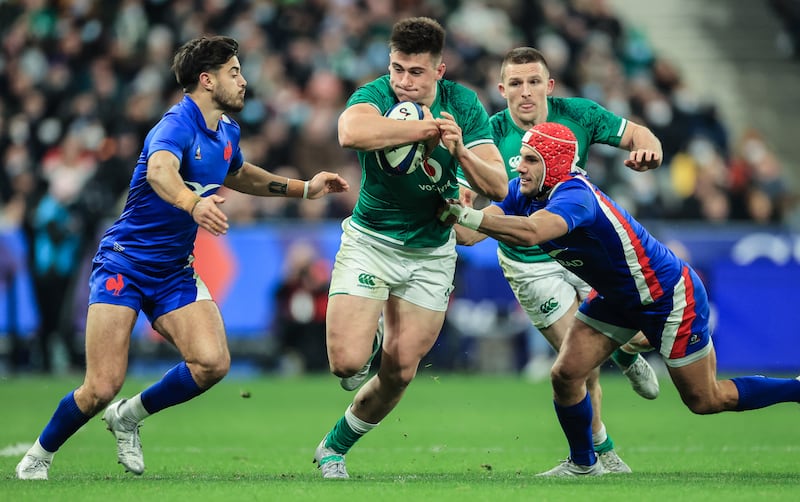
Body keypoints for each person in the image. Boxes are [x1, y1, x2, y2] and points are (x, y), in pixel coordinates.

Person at [15, 35, 349, 481]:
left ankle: (129, 415)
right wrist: (193, 204)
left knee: (213, 363)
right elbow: (159, 171)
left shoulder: (226, 131)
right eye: (235, 72)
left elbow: (239, 173)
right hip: (124, 263)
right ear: (207, 80)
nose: (244, 81)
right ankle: (38, 455)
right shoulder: (175, 125)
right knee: (100, 386)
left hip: (173, 271)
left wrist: (304, 188)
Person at [440, 122, 800, 477]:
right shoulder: (523, 191)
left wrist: (467, 215)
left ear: (555, 163)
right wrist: (439, 205)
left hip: (668, 295)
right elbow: (470, 234)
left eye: (531, 159)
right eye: (521, 158)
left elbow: (534, 233)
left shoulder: (575, 195)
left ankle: (795, 389)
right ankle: (583, 464)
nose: (519, 166)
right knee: (566, 374)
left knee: (705, 400)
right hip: (616, 297)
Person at [313, 17, 508, 479]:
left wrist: (461, 158)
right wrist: (422, 131)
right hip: (371, 242)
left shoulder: (463, 104)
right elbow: (350, 133)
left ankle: (334, 448)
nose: (404, 82)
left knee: (400, 370)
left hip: (431, 252)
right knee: (347, 364)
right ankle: (371, 334)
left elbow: (497, 184)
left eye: (416, 73)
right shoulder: (377, 95)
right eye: (397, 69)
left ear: (439, 70)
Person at [454, 46, 663, 473]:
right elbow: (466, 201)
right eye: (515, 83)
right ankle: (600, 454)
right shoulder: (487, 135)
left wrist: (649, 153)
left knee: (640, 336)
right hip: (528, 262)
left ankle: (625, 350)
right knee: (577, 361)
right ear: (502, 89)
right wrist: (460, 213)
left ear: (549, 85)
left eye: (534, 82)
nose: (525, 91)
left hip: (584, 251)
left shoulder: (579, 115)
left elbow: (641, 134)